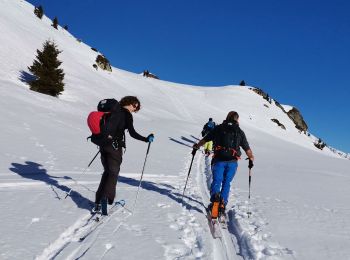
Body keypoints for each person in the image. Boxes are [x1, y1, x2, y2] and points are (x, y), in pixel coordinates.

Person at [94, 96, 154, 215]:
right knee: (113, 172)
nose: (135, 110)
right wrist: (145, 139)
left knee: (107, 172)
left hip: (103, 144)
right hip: (115, 147)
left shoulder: (111, 112)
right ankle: (105, 199)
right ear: (132, 104)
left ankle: (98, 201)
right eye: (135, 107)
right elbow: (132, 133)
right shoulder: (126, 114)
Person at [193, 111, 254, 217]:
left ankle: (215, 199)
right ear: (237, 119)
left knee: (217, 180)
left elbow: (205, 139)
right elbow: (247, 148)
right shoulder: (239, 131)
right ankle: (222, 204)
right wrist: (251, 158)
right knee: (227, 182)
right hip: (232, 162)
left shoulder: (219, 128)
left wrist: (196, 146)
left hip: (218, 160)